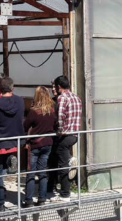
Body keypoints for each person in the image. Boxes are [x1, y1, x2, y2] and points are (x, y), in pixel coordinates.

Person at [0, 76, 25, 212]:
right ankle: (10, 160)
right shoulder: (20, 101)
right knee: (1, 171)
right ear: (13, 88)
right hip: (15, 140)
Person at [22, 86, 57, 207]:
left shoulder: (34, 112)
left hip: (35, 145)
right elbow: (55, 125)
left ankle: (29, 201)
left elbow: (25, 126)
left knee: (31, 173)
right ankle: (42, 199)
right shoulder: (52, 111)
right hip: (48, 143)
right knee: (42, 173)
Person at [51, 75, 83, 203]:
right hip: (75, 135)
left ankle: (65, 194)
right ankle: (70, 160)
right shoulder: (77, 98)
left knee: (63, 165)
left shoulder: (62, 98)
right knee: (65, 161)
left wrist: (59, 132)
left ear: (59, 87)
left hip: (65, 135)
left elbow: (60, 118)